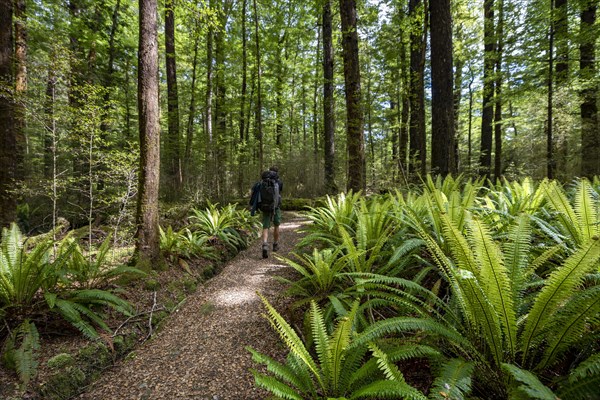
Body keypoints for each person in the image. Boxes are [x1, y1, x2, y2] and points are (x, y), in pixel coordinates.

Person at [249, 166, 283, 258]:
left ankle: (265, 244)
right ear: (276, 173)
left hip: (265, 207)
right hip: (275, 208)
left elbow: (252, 192)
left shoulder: (261, 183)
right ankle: (275, 245)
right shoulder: (278, 182)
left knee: (266, 226)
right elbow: (279, 194)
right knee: (276, 225)